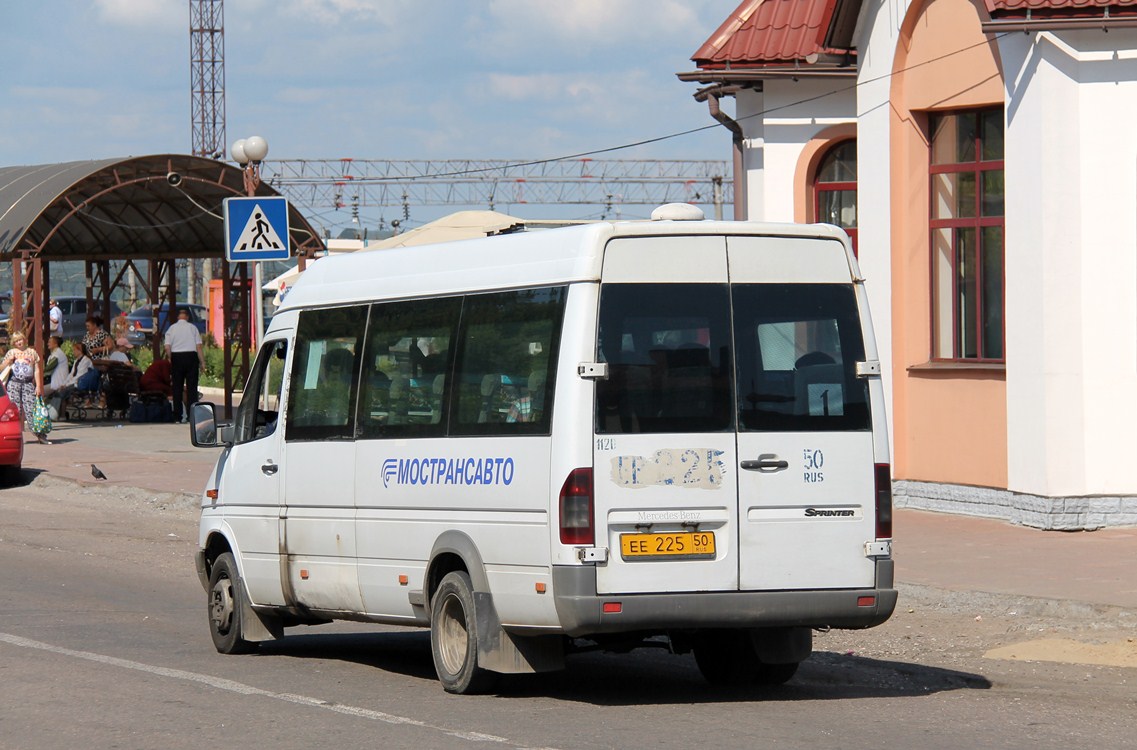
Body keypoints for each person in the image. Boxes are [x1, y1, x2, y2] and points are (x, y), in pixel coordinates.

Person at [0, 331, 50, 444]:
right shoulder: (11, 353)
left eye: (20, 339)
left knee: (31, 408)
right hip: (14, 383)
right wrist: (8, 361)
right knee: (15, 410)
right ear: (13, 343)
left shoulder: (32, 353)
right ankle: (14, 435)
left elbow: (37, 370)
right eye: (16, 341)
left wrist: (38, 385)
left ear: (24, 340)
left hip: (27, 383)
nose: (19, 342)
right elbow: (1, 368)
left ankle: (40, 435)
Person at [164, 307, 204, 423]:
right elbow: (199, 346)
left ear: (178, 317)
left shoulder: (171, 329)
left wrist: (171, 357)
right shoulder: (193, 328)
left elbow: (167, 347)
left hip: (177, 357)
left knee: (177, 388)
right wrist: (202, 362)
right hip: (191, 357)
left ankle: (178, 416)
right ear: (187, 316)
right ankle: (191, 417)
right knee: (192, 388)